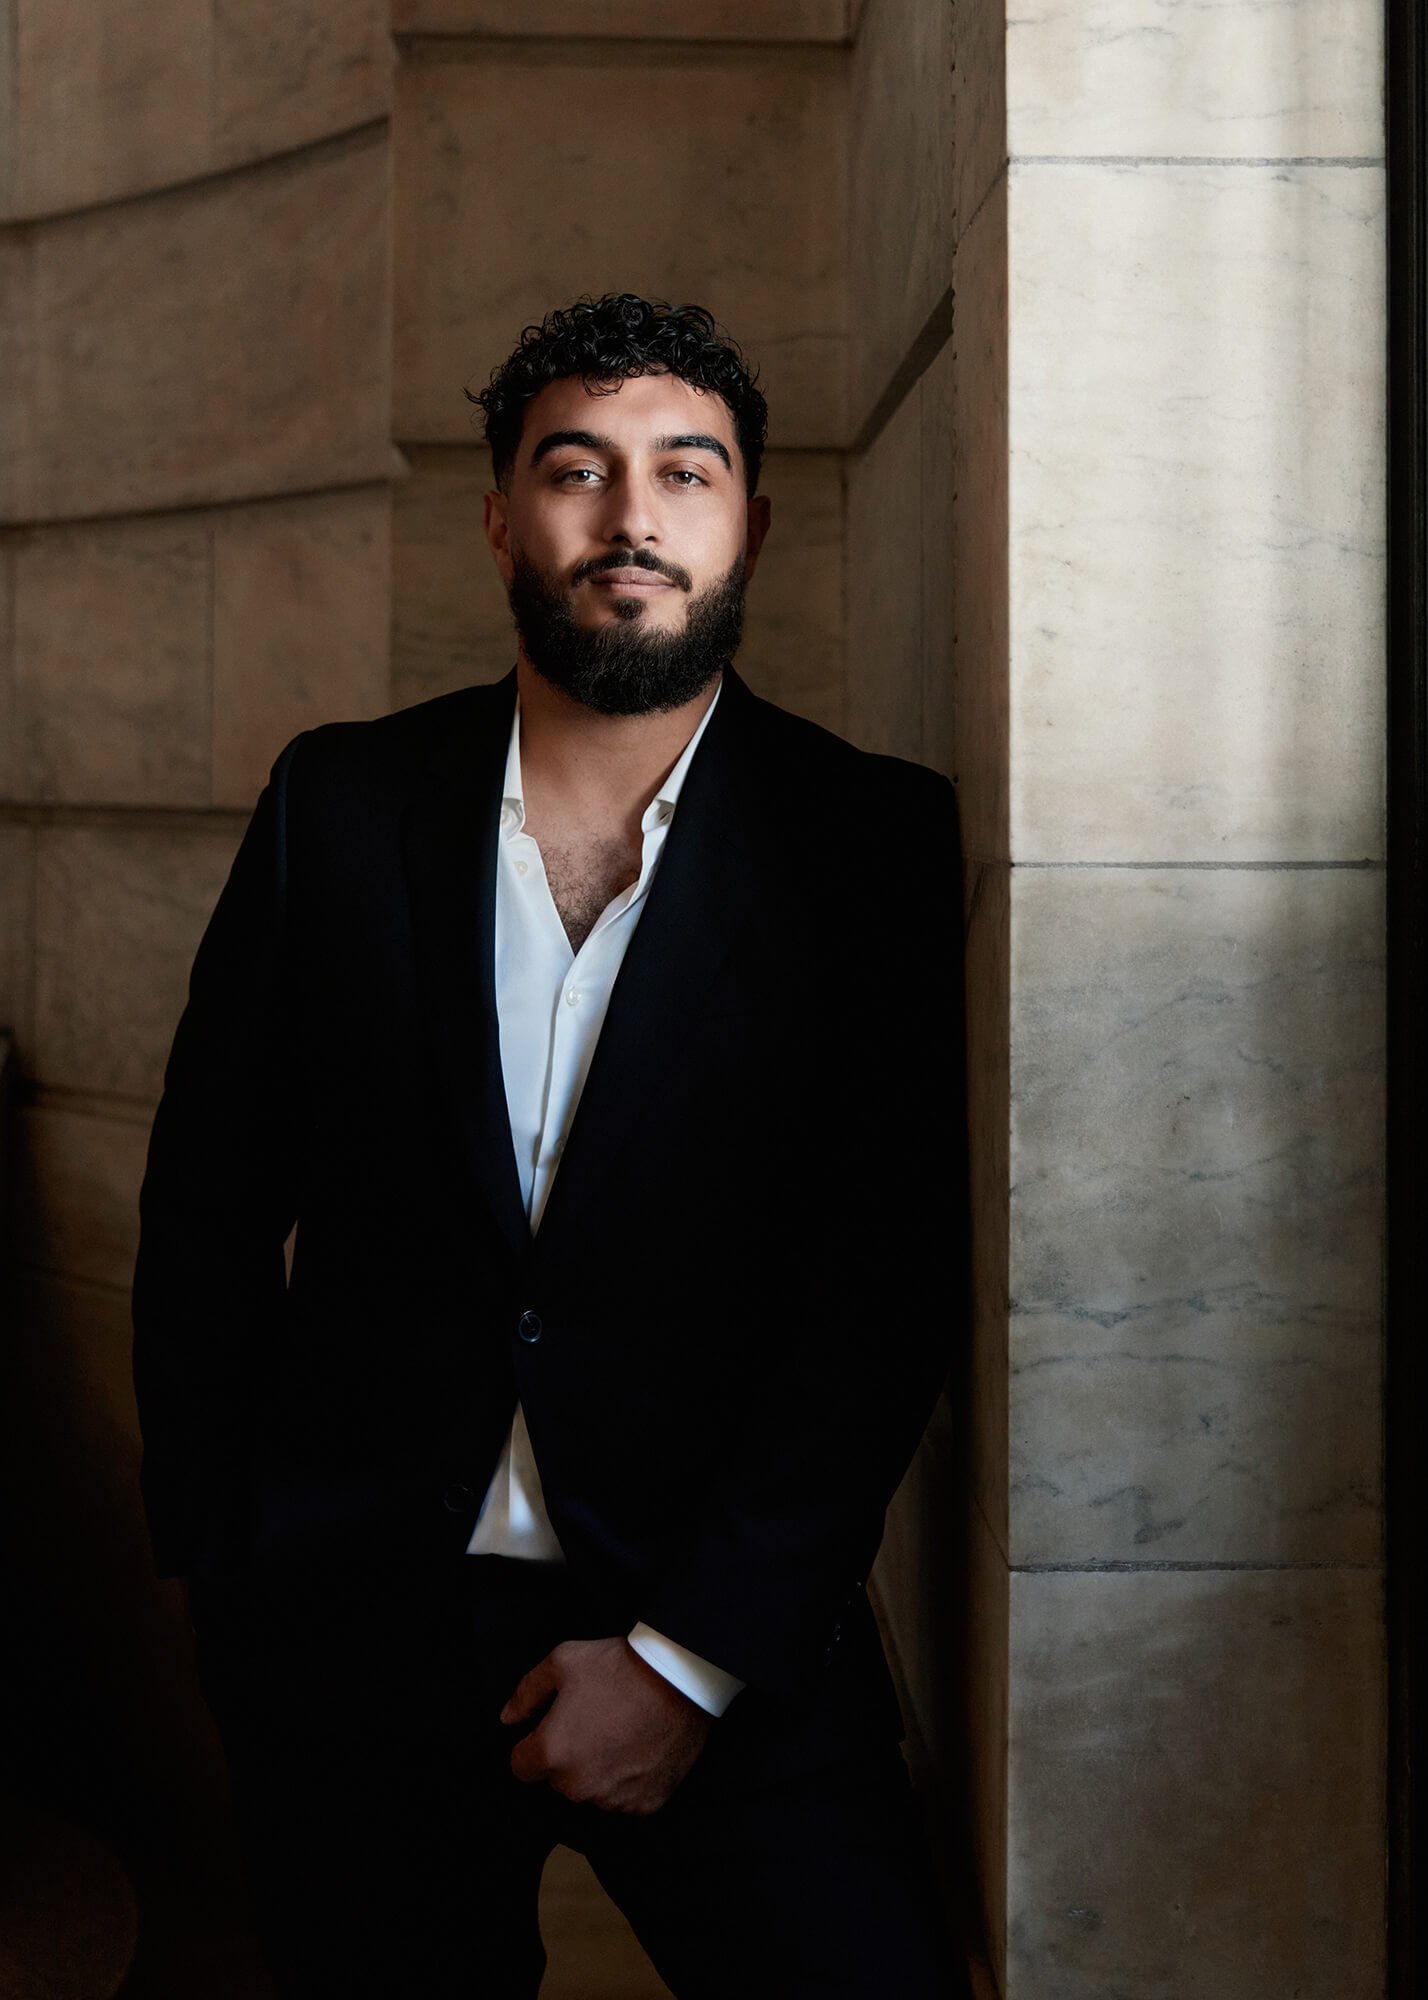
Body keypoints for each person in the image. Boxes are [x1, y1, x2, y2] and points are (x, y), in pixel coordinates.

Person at [132, 293, 970, 1998]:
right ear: (503, 515)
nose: (633, 516)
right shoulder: (339, 806)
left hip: (724, 1626)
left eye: (687, 470)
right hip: (353, 1635)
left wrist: (688, 1663)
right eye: (578, 469)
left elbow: (883, 1283)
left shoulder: (866, 838)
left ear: (749, 518)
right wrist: (224, 1575)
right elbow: (206, 1210)